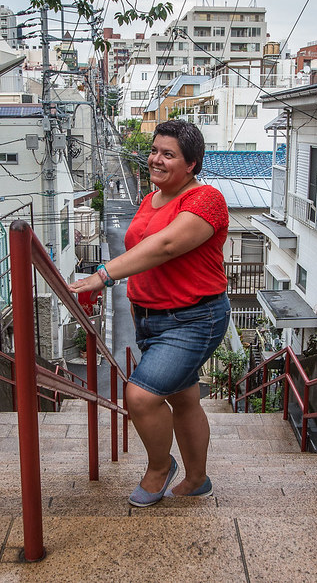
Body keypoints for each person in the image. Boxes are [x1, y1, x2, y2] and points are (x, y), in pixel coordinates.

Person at [69, 119, 230, 506]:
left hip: (193, 319)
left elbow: (166, 246)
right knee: (184, 398)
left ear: (192, 163)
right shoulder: (151, 197)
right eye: (155, 150)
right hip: (150, 319)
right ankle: (197, 479)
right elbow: (144, 248)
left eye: (168, 154)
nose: (156, 159)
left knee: (141, 397)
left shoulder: (205, 200)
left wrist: (103, 276)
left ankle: (160, 467)